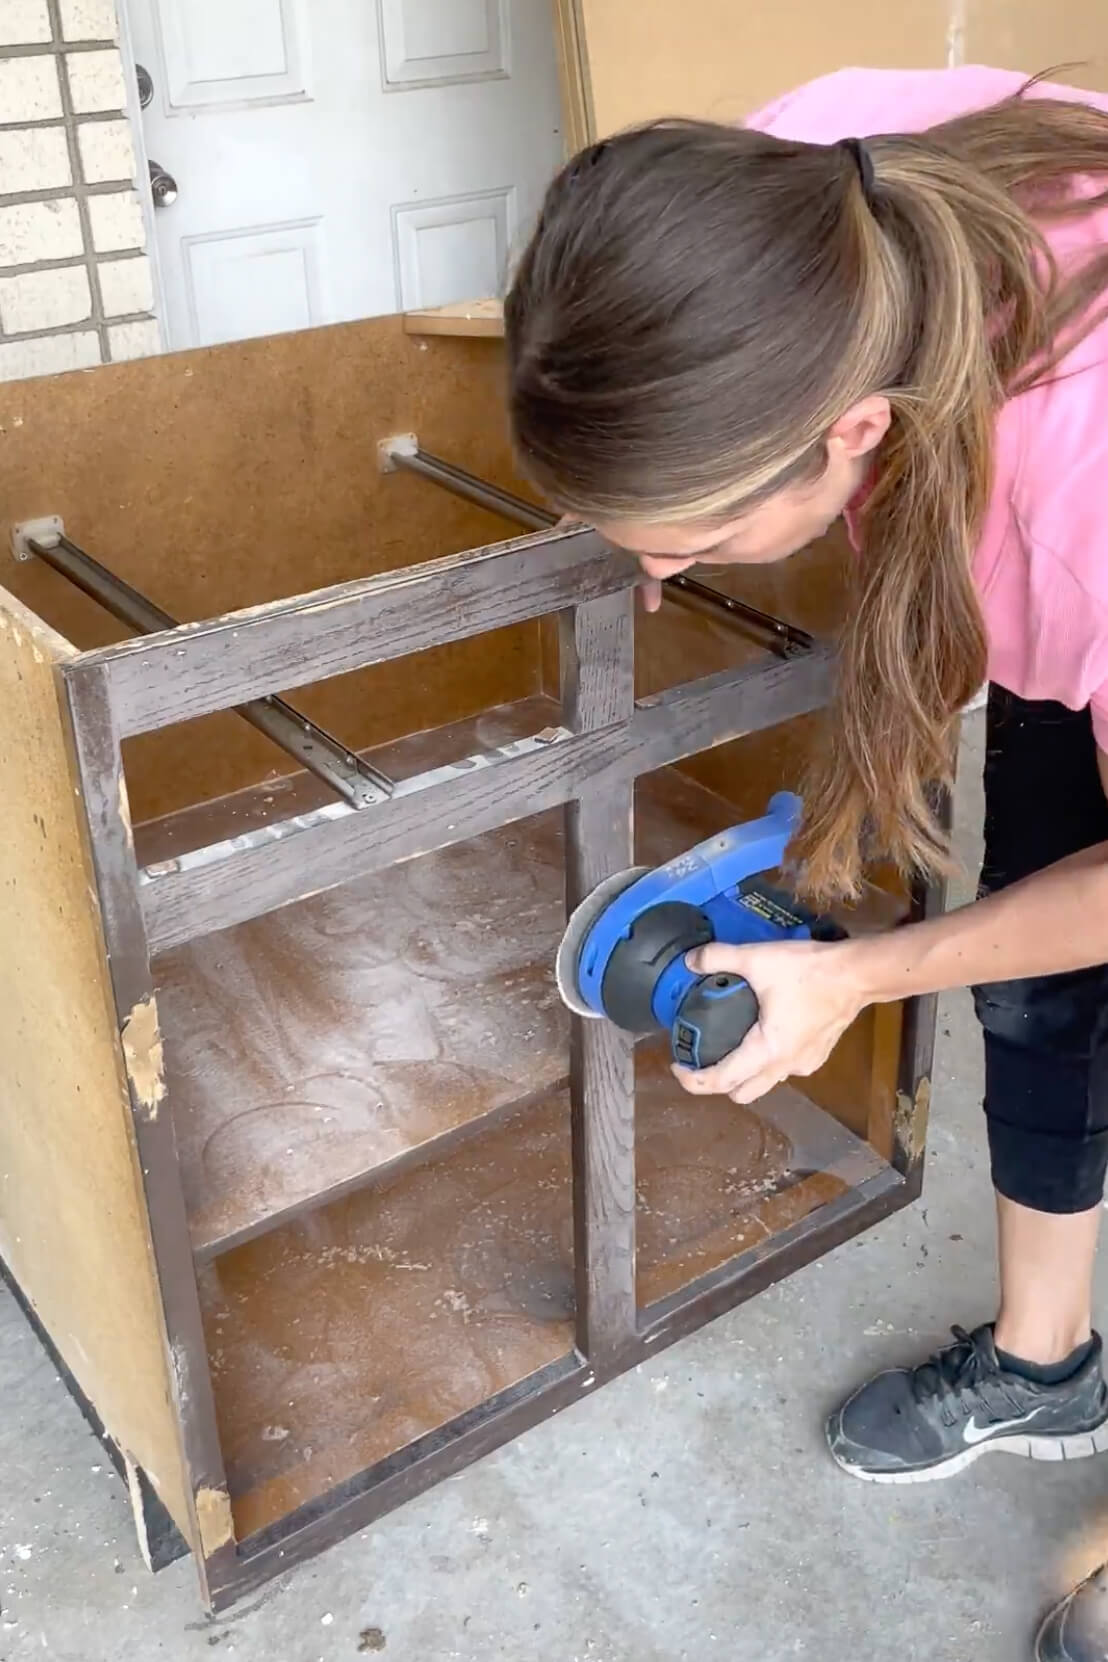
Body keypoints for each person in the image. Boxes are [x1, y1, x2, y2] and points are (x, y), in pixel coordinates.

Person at [504, 63, 1108, 1661]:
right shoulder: (795, 193)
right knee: (1037, 983)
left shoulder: (1085, 497)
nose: (655, 576)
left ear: (851, 429)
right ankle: (1053, 1366)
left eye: (686, 537)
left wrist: (866, 972)